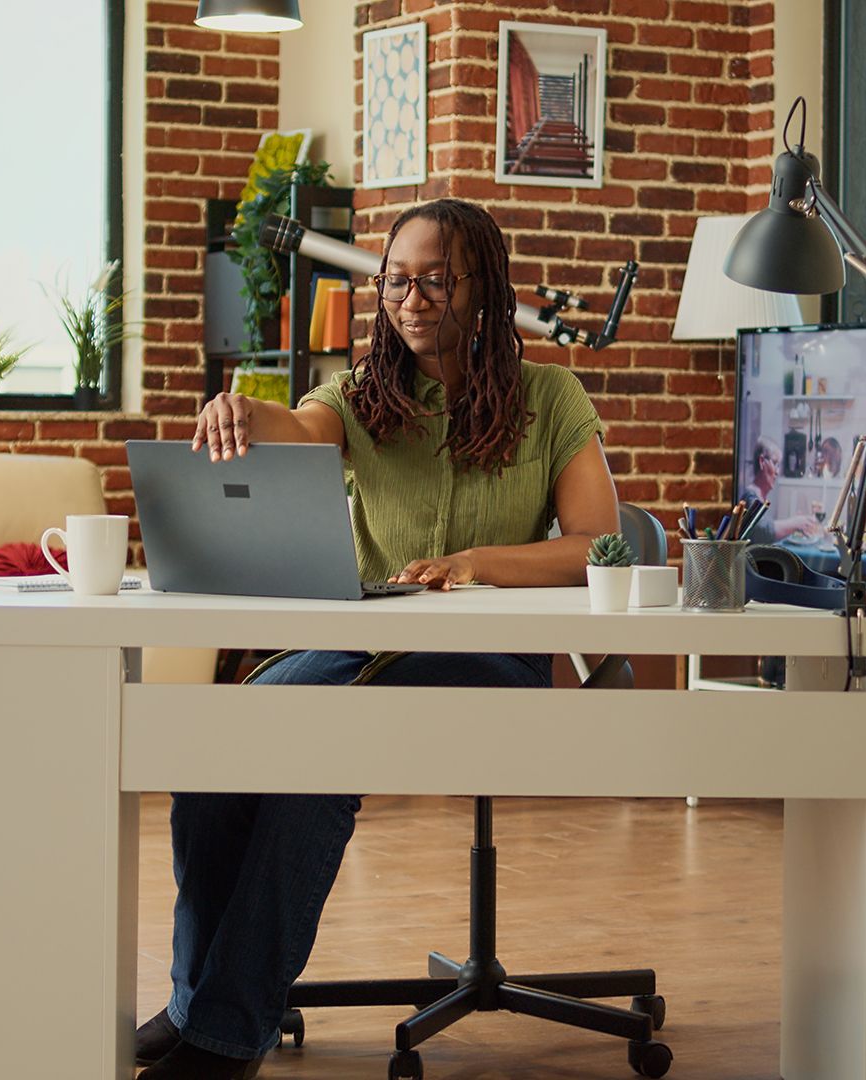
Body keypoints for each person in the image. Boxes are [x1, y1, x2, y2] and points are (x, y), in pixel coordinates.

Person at [134, 199, 620, 1080]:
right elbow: (299, 431)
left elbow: (598, 546)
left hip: (489, 664)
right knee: (217, 751)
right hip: (356, 652)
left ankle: (223, 1039)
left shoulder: (551, 397)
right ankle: (193, 999)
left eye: (436, 279)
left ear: (486, 289)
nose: (412, 296)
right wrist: (245, 412)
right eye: (396, 279)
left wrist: (479, 562)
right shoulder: (361, 394)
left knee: (316, 759)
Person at [743, 437, 820, 544]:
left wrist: (796, 523)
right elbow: (761, 531)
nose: (777, 472)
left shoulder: (760, 496)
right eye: (775, 463)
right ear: (761, 461)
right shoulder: (750, 496)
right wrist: (795, 523)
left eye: (779, 465)